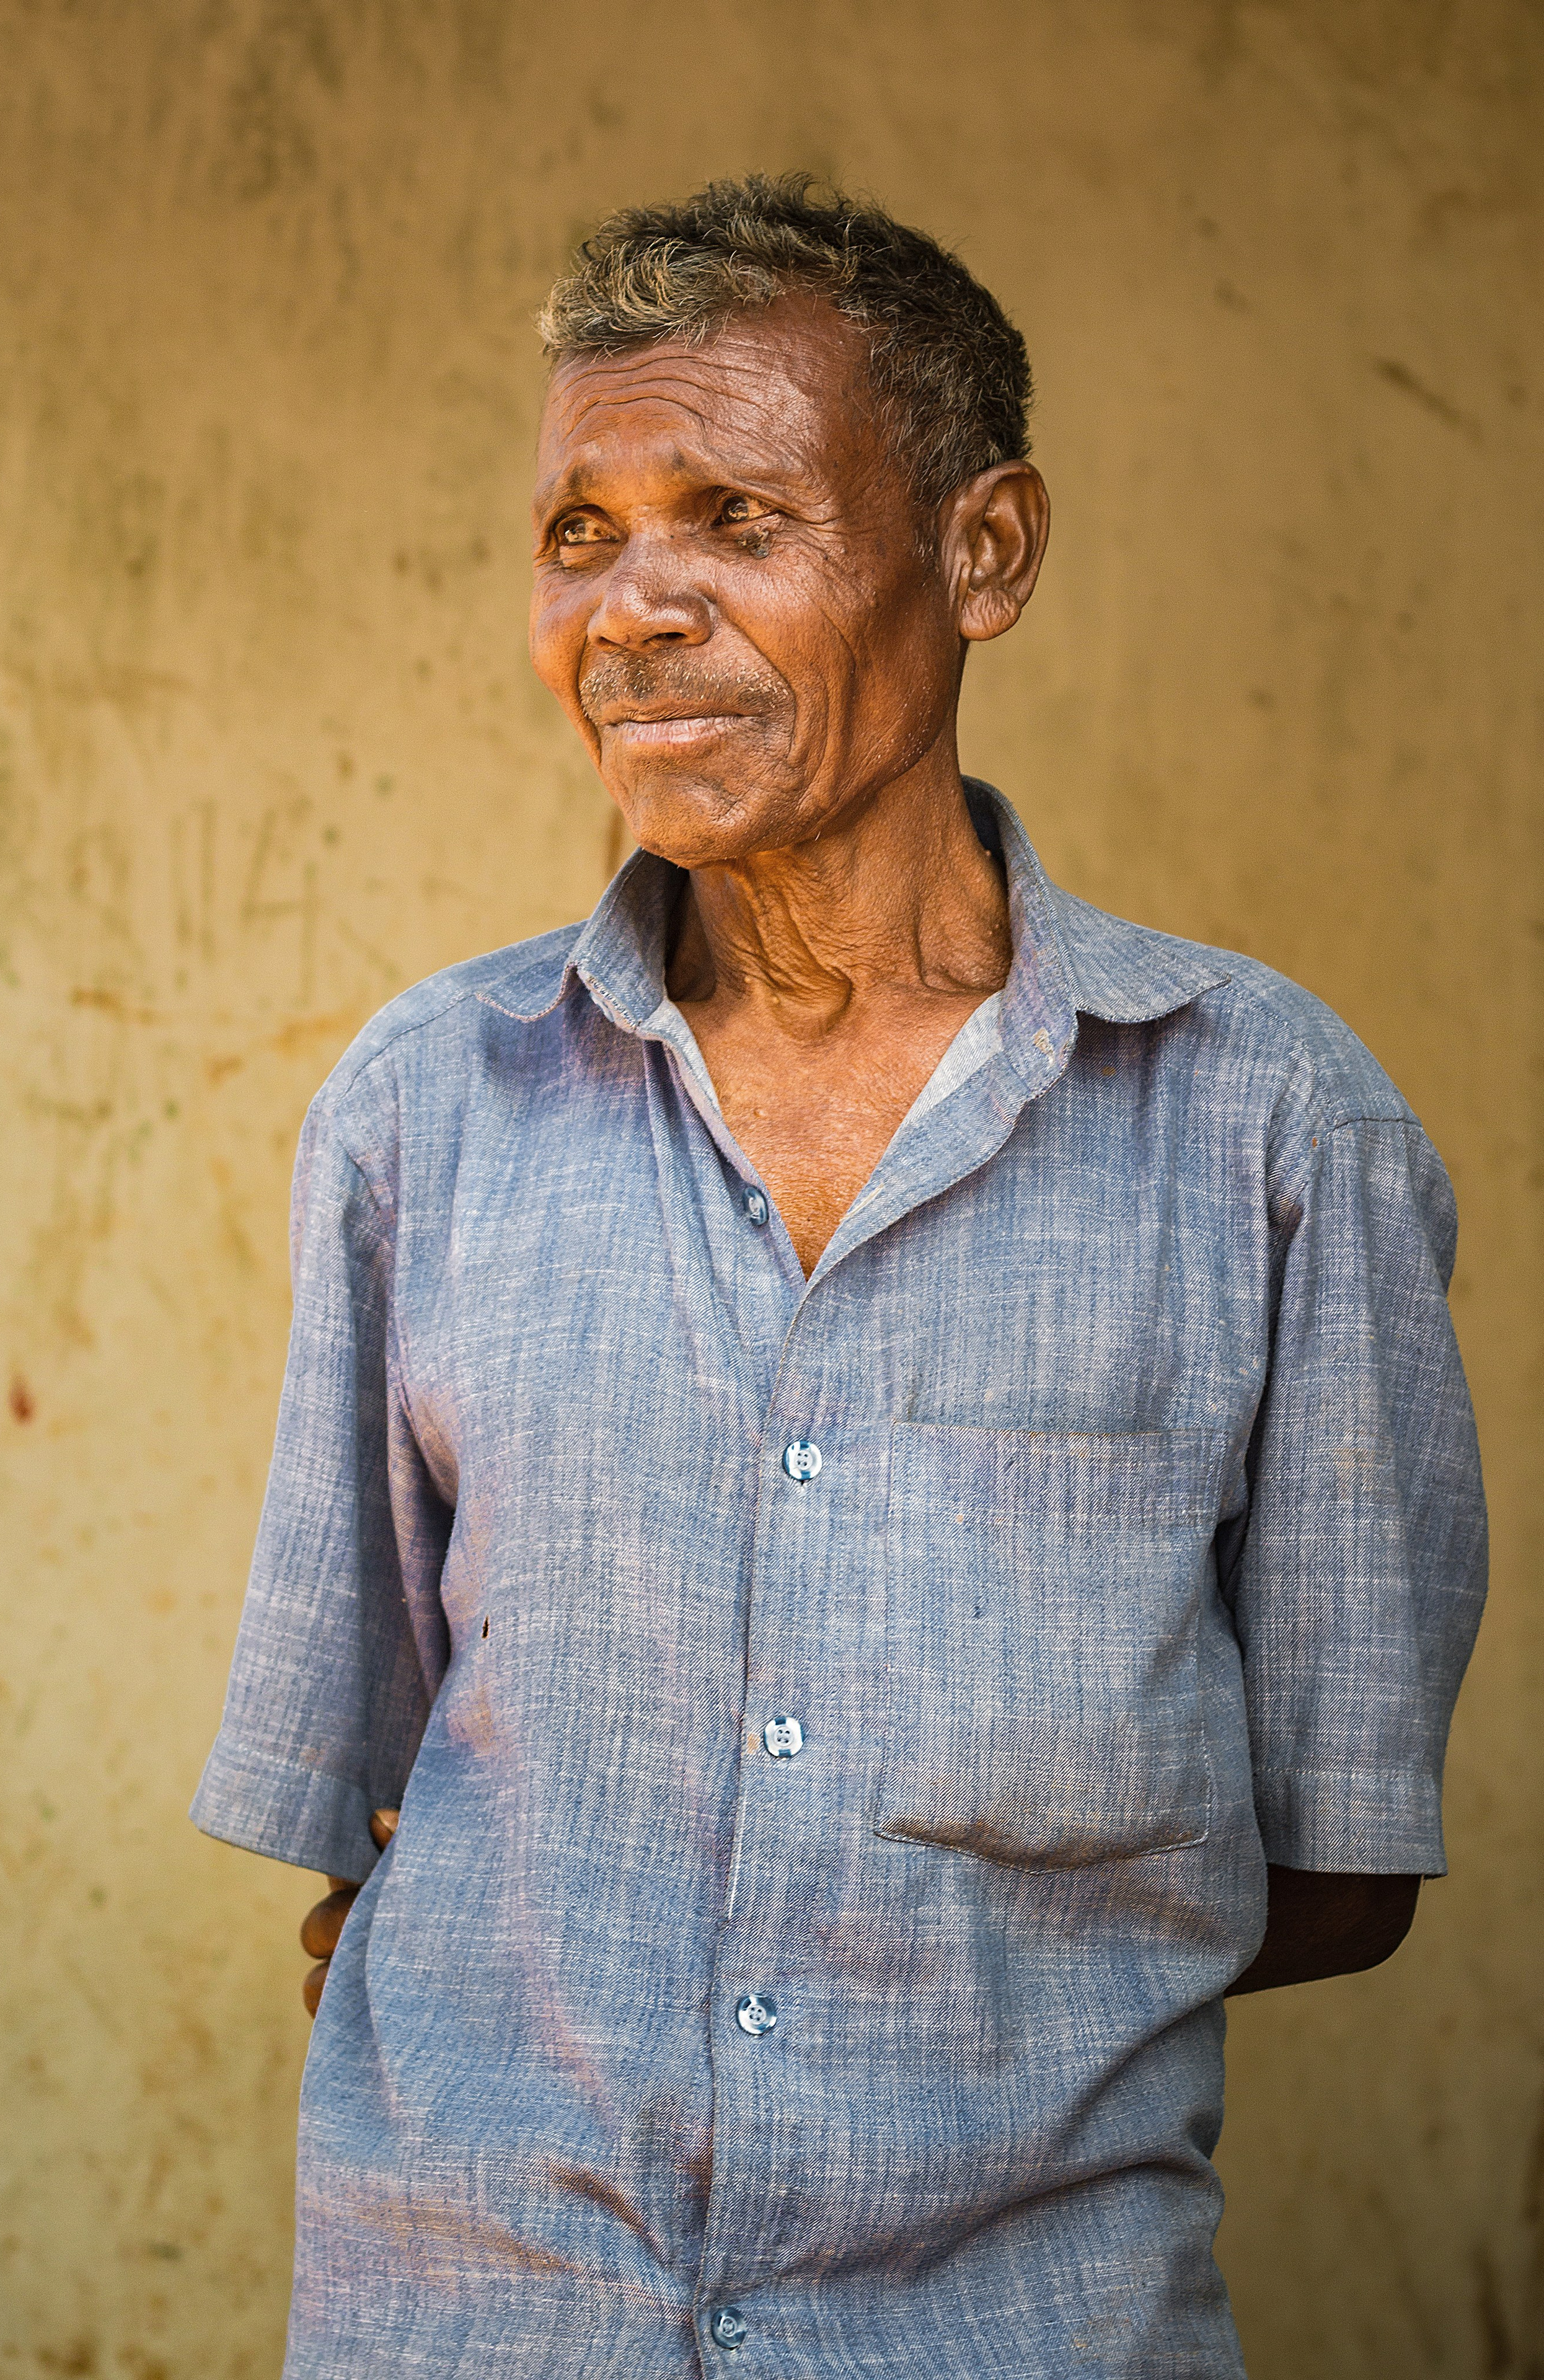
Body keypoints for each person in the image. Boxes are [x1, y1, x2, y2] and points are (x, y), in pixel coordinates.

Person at [192, 174, 1487, 2378]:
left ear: (983, 554)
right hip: (471, 2315)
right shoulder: (427, 1107)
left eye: (732, 516)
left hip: (1022, 2323)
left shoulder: (1275, 1128)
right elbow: (380, 1819)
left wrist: (945, 1951)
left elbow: (1343, 1858)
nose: (634, 608)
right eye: (580, 533)